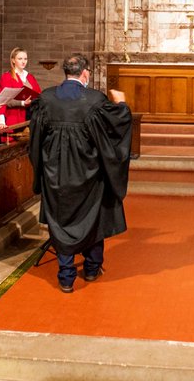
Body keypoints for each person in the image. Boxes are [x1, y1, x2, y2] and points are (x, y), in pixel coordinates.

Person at [27, 53, 132, 293]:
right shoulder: (95, 100)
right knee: (93, 216)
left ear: (65, 72)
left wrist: (43, 169)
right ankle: (93, 268)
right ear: (85, 73)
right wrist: (122, 105)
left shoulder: (46, 99)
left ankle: (66, 277)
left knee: (61, 219)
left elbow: (35, 140)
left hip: (56, 175)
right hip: (89, 174)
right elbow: (118, 125)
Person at [0, 47, 41, 129]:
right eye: (20, 59)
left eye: (25, 59)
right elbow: (5, 100)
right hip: (15, 116)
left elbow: (38, 93)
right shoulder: (7, 77)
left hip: (31, 114)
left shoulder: (29, 76)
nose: (23, 61)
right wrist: (22, 103)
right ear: (13, 60)